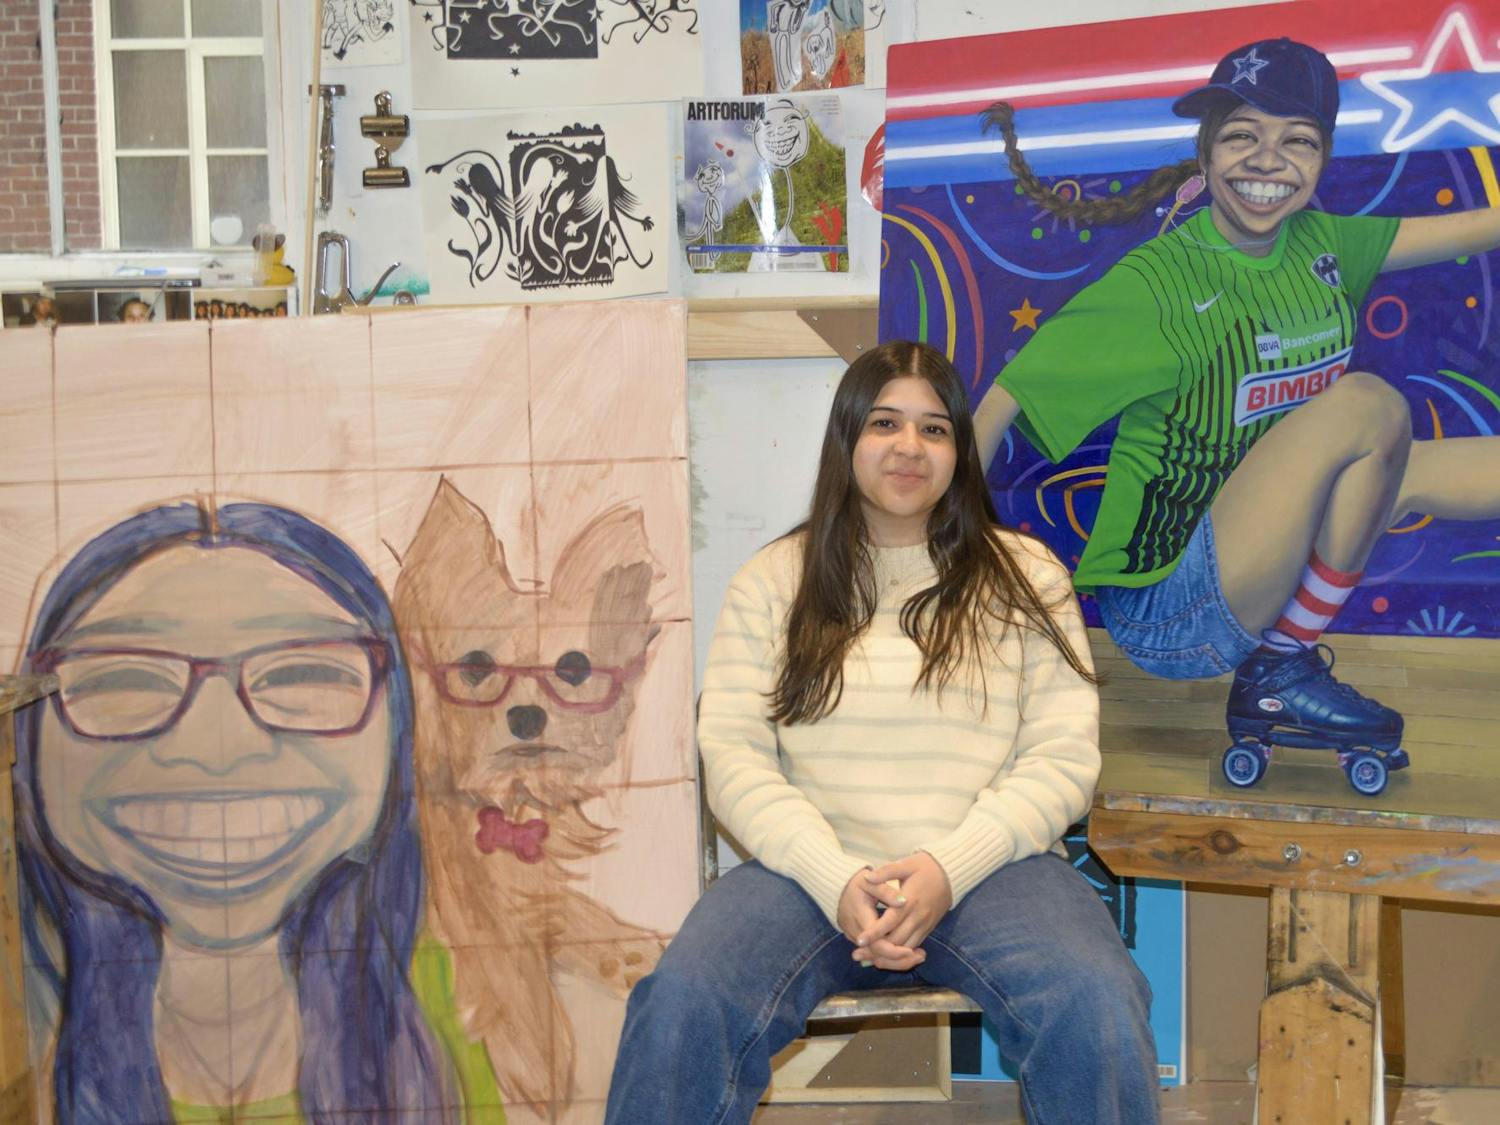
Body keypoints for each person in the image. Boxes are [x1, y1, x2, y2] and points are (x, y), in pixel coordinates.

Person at [605, 341, 1159, 1123]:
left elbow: (1062, 757)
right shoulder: (773, 580)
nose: (909, 446)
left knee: (1097, 1002)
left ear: (960, 451)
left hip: (991, 869)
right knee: (681, 1003)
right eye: (885, 422)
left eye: (935, 429)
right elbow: (732, 754)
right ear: (847, 440)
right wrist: (833, 877)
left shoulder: (1028, 576)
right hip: (806, 873)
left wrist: (946, 867)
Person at [973, 38, 1500, 790]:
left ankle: (1279, 660)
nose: (1268, 160)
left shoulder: (1322, 244)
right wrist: (940, 545)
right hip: (1168, 604)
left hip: (1256, 561)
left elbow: (1466, 230)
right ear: (1207, 151)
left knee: (1408, 463)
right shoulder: (1161, 280)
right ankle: (1280, 663)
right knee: (1367, 406)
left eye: (1298, 141)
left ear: (1321, 160)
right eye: (1243, 135)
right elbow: (1002, 400)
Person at [14, 501, 500, 1122]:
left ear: (395, 723)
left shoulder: (475, 1003)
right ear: (28, 740)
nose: (218, 750)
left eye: (302, 672)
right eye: (123, 680)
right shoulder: (24, 1044)